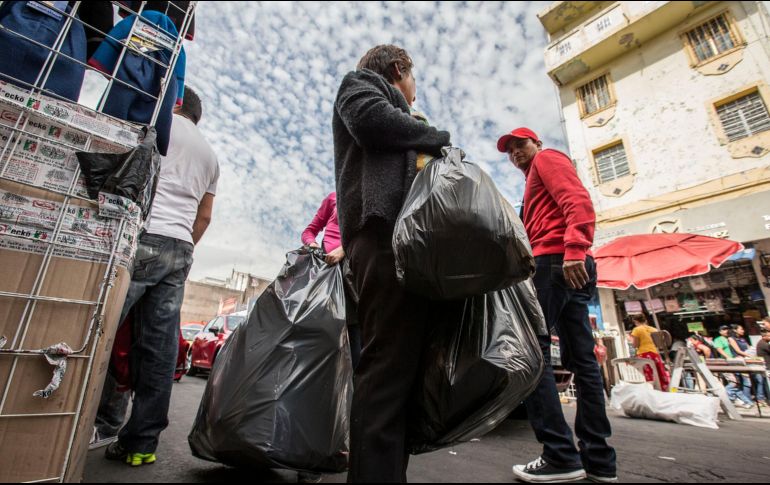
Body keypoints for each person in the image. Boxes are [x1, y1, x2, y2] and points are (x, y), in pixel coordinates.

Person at [333, 44, 450, 482]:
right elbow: (370, 122)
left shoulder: (407, 124)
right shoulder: (360, 84)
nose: (415, 92)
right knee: (385, 368)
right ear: (399, 70)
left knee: (401, 372)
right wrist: (438, 137)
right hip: (381, 238)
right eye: (413, 80)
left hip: (407, 246)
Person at [95, 87, 220, 466]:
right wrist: (185, 247)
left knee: (99, 328)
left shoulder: (158, 126)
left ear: (177, 105)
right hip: (180, 246)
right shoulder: (211, 157)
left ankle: (69, 422)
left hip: (140, 236)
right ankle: (143, 443)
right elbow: (205, 216)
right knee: (160, 349)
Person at [497, 127, 616, 483]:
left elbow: (577, 201)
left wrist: (576, 248)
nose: (516, 152)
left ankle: (561, 455)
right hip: (562, 264)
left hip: (557, 261)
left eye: (521, 145)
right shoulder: (532, 181)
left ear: (537, 144)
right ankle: (599, 460)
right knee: (583, 361)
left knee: (529, 354)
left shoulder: (548, 159)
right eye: (510, 150)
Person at [301, 192, 362, 369]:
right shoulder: (334, 197)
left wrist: (344, 250)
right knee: (319, 334)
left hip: (352, 275)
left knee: (353, 335)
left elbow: (368, 235)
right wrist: (313, 246)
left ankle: (351, 391)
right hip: (326, 275)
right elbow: (309, 232)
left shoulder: (367, 193)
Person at [713, 325, 754, 409]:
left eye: (727, 329)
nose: (726, 331)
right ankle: (725, 395)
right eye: (723, 330)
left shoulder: (731, 338)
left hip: (735, 362)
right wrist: (728, 357)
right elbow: (719, 349)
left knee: (737, 383)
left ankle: (746, 401)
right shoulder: (718, 339)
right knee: (733, 382)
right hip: (726, 363)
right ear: (719, 331)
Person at [627, 314, 670, 392]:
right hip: (654, 353)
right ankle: (664, 390)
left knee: (649, 375)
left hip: (643, 354)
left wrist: (631, 342)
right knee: (659, 372)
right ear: (645, 320)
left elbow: (635, 344)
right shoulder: (654, 329)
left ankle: (652, 392)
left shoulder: (637, 330)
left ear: (635, 321)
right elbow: (659, 344)